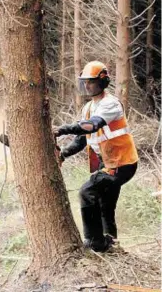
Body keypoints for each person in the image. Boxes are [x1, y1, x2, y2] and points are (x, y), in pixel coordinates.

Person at [53, 61, 139, 252]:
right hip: (107, 161)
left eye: (91, 82)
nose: (87, 85)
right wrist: (64, 154)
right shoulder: (88, 107)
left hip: (121, 162)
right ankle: (111, 243)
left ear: (102, 82)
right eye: (85, 82)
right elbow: (83, 139)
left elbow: (92, 126)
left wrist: (60, 130)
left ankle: (94, 242)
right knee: (105, 204)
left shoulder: (110, 104)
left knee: (87, 192)